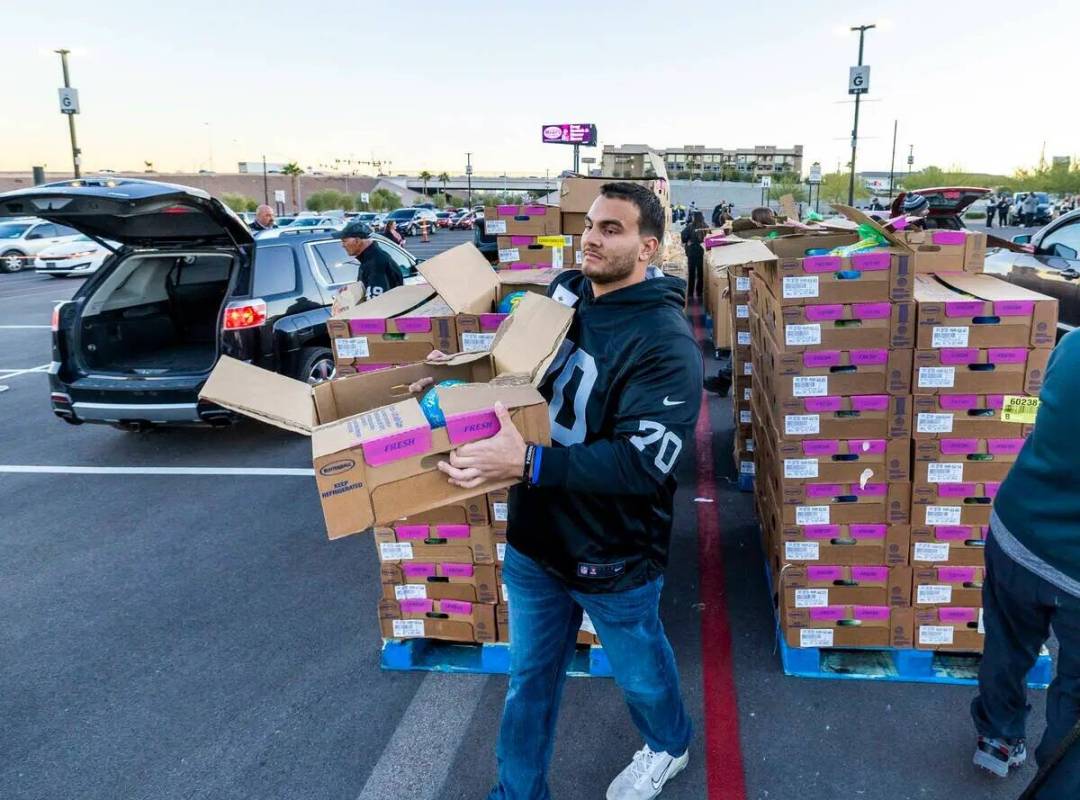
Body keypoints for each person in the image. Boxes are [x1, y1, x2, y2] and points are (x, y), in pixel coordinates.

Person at [426, 182, 702, 800]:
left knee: (641, 679)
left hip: (614, 555)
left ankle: (669, 743)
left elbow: (641, 467)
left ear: (648, 247)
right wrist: (469, 372)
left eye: (613, 229)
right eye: (591, 224)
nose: (592, 237)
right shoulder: (565, 293)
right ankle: (516, 793)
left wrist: (526, 461)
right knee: (529, 679)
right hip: (534, 541)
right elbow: (522, 373)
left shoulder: (665, 343)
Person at [970, 329, 1080, 798]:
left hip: (1017, 530)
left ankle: (997, 739)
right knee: (1074, 698)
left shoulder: (1074, 344)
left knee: (1007, 646)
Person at [333, 220, 403, 300]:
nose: (342, 245)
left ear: (357, 241)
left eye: (344, 241)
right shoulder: (369, 259)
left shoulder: (376, 263)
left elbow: (375, 303)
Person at [681, 210, 706, 301]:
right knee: (700, 273)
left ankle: (690, 293)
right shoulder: (705, 226)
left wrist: (688, 241)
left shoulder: (690, 227)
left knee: (691, 273)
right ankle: (699, 292)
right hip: (702, 252)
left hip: (692, 252)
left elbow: (683, 237)